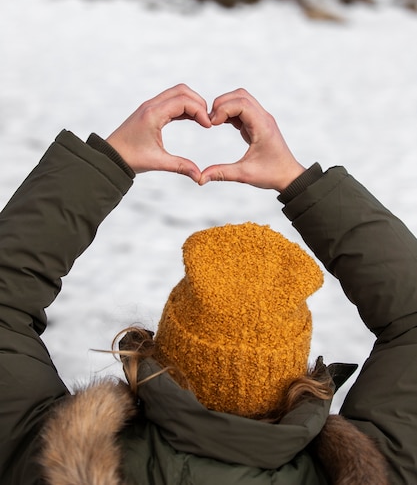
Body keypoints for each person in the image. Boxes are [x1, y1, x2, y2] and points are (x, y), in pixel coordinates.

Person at [0, 84, 415, 485]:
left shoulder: (46, 457)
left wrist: (110, 160)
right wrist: (295, 178)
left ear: (162, 352)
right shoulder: (376, 470)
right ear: (295, 375)